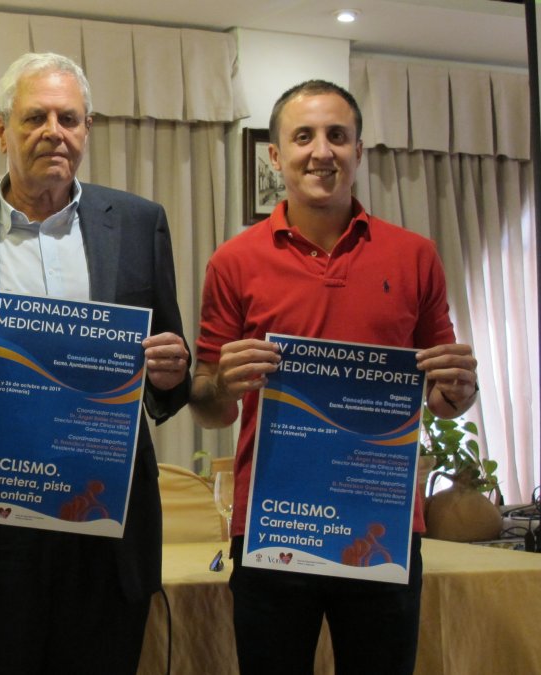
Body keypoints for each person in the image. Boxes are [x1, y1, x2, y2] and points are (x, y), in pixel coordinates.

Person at [0, 52, 190, 674]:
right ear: (1, 130)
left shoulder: (138, 224)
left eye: (69, 118)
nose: (55, 131)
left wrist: (172, 370)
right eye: (35, 117)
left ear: (87, 127)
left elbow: (171, 364)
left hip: (104, 526)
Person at [189, 80, 479, 675]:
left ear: (358, 151)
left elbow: (443, 397)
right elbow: (210, 403)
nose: (322, 151)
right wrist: (221, 385)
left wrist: (458, 389)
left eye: (337, 136)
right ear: (276, 155)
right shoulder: (233, 261)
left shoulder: (415, 255)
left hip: (382, 525)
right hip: (274, 525)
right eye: (304, 136)